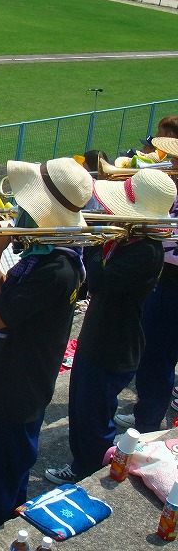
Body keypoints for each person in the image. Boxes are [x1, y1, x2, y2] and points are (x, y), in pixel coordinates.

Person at [0, 157, 93, 550]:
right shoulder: (47, 259)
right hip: (12, 386)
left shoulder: (54, 269)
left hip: (10, 394)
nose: (19, 212)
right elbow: (9, 307)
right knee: (4, 476)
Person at [44, 169, 175, 486]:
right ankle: (84, 459)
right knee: (81, 403)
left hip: (113, 345)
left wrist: (89, 240)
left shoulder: (145, 250)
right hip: (101, 335)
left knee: (93, 413)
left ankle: (87, 467)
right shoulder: (133, 241)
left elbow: (100, 282)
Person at [114, 134, 178, 432]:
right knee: (155, 354)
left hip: (171, 283)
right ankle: (147, 413)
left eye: (175, 160)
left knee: (156, 356)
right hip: (166, 278)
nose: (171, 164)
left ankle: (147, 423)